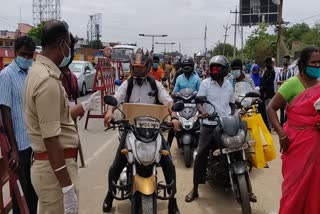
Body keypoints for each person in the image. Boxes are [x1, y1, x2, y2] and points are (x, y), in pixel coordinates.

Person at [23, 20, 100, 214]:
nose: (70, 51)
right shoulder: (47, 81)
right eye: (69, 44)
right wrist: (66, 188)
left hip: (51, 168)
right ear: (61, 44)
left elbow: (56, 117)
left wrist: (83, 106)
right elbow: (51, 138)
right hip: (54, 172)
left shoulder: (38, 72)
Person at [103, 48, 180, 214]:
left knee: (169, 165)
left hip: (153, 130)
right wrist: (109, 112)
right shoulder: (127, 83)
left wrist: (174, 116)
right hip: (131, 130)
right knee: (117, 165)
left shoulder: (155, 84)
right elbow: (116, 99)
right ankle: (110, 195)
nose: (137, 70)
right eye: (135, 67)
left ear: (147, 67)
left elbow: (168, 101)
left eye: (140, 67)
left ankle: (173, 201)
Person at [267, 46, 320, 214]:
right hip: (296, 142)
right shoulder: (292, 84)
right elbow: (271, 108)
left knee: (315, 186)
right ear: (304, 64)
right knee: (294, 185)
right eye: (314, 62)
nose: (317, 66)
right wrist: (281, 133)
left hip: (316, 145)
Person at [185, 55, 236, 202]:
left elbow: (232, 103)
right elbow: (199, 102)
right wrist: (203, 112)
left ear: (225, 70)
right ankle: (195, 189)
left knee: (238, 148)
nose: (215, 70)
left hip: (226, 124)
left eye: (218, 68)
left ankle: (245, 186)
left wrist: (235, 114)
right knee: (200, 154)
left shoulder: (228, 84)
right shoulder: (205, 84)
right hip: (209, 125)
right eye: (213, 68)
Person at [0, 36, 38, 214]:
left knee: (34, 191)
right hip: (20, 146)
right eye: (24, 55)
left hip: (33, 142)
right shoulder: (6, 76)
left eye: (30, 56)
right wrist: (13, 149)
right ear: (15, 53)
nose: (27, 59)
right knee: (21, 194)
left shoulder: (31, 73)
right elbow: (5, 113)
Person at [61, 34, 79, 106]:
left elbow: (75, 101)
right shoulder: (52, 76)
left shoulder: (73, 77)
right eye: (68, 49)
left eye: (72, 50)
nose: (71, 54)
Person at [275, 55, 292, 126]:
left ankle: (286, 124)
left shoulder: (291, 71)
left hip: (289, 93)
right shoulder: (280, 71)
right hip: (282, 92)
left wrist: (283, 82)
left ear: (288, 61)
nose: (284, 61)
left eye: (286, 60)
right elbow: (278, 81)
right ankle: (282, 124)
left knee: (287, 109)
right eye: (284, 60)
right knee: (281, 109)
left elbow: (291, 82)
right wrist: (286, 82)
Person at [260, 57, 275, 130]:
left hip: (268, 93)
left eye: (267, 63)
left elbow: (267, 82)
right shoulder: (265, 71)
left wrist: (264, 89)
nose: (266, 64)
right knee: (266, 110)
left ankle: (270, 126)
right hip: (264, 93)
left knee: (268, 110)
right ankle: (268, 125)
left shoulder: (271, 71)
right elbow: (262, 80)